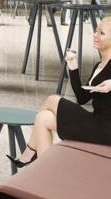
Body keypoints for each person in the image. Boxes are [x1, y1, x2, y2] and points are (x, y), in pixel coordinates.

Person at [7, 17, 111, 168]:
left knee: (52, 99)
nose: (95, 35)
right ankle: (43, 173)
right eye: (96, 31)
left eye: (101, 33)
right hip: (95, 123)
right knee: (43, 118)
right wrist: (73, 66)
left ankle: (30, 150)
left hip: (106, 130)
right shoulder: (99, 65)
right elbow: (82, 98)